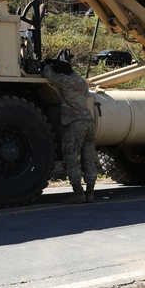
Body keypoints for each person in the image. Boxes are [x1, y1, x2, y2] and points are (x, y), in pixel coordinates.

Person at [42, 53, 97, 203]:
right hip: (89, 122)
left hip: (75, 124)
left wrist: (47, 64)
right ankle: (90, 192)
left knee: (72, 158)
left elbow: (48, 75)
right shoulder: (81, 81)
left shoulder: (64, 81)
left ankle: (78, 193)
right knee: (88, 158)